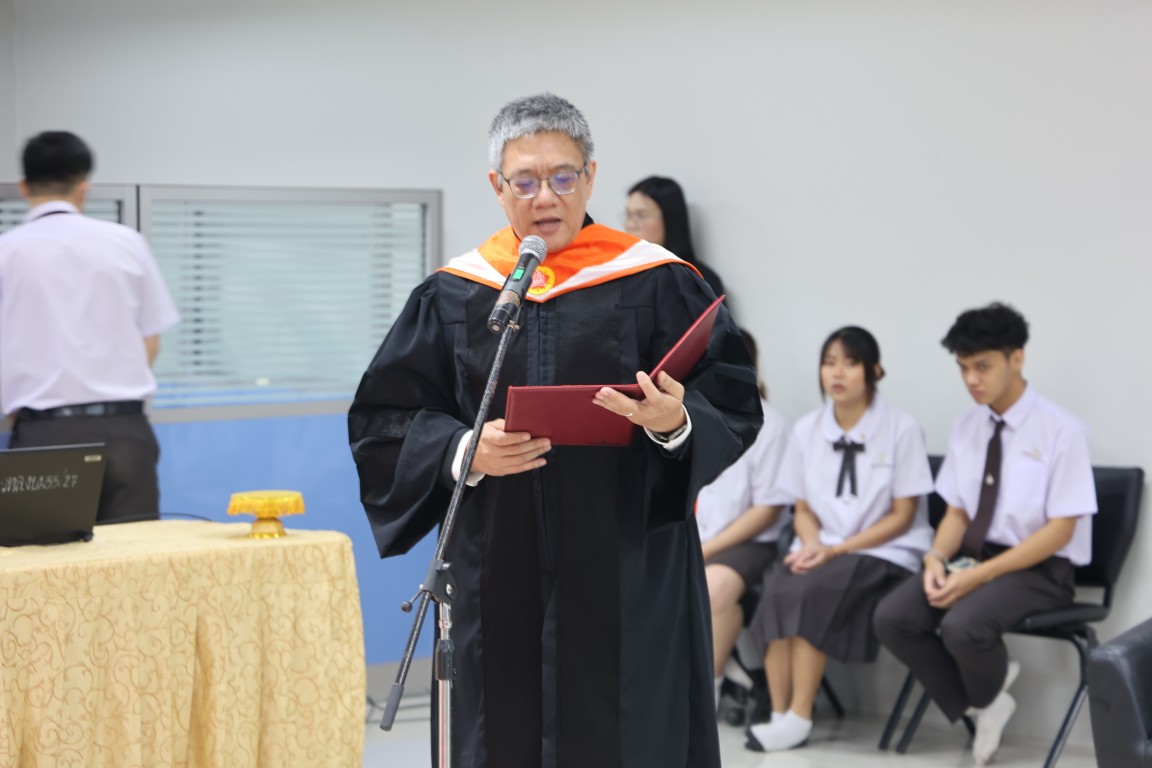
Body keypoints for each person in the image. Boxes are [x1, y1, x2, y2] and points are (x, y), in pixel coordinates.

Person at [348, 93, 761, 768]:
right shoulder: (456, 293)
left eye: (563, 177)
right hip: (497, 565)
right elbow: (383, 418)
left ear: (591, 177)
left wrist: (677, 420)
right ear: (497, 186)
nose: (546, 196)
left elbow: (732, 396)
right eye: (526, 181)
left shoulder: (657, 281)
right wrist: (462, 449)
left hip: (626, 568)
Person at [873, 302, 1096, 766]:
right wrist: (935, 559)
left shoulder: (1063, 431)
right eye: (963, 368)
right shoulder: (968, 426)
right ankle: (988, 700)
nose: (971, 379)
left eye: (983, 366)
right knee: (893, 616)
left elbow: (1061, 531)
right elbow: (957, 511)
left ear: (1017, 358)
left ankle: (983, 692)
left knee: (963, 625)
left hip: (1041, 570)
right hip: (974, 559)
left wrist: (979, 577)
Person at [745, 326, 933, 752]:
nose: (837, 372)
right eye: (829, 362)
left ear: (874, 371)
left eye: (850, 363)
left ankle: (800, 716)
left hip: (884, 550)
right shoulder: (807, 430)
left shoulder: (902, 428)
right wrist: (815, 545)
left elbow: (903, 516)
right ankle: (778, 713)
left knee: (812, 589)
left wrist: (836, 550)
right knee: (779, 584)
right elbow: (803, 509)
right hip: (822, 547)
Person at [0, 131, 179, 523]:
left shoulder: (6, 253)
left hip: (42, 436)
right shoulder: (127, 243)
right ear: (83, 187)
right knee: (135, 556)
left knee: (46, 556)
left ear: (24, 186)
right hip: (125, 432)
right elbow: (150, 340)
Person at [695, 328, 792, 707]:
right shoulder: (693, 414)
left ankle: (707, 691)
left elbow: (768, 510)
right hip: (696, 534)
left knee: (713, 588)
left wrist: (705, 550)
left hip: (749, 542)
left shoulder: (771, 424)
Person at [624, 176, 728, 305]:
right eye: (628, 214)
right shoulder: (620, 276)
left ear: (670, 219)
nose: (630, 224)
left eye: (642, 215)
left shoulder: (701, 280)